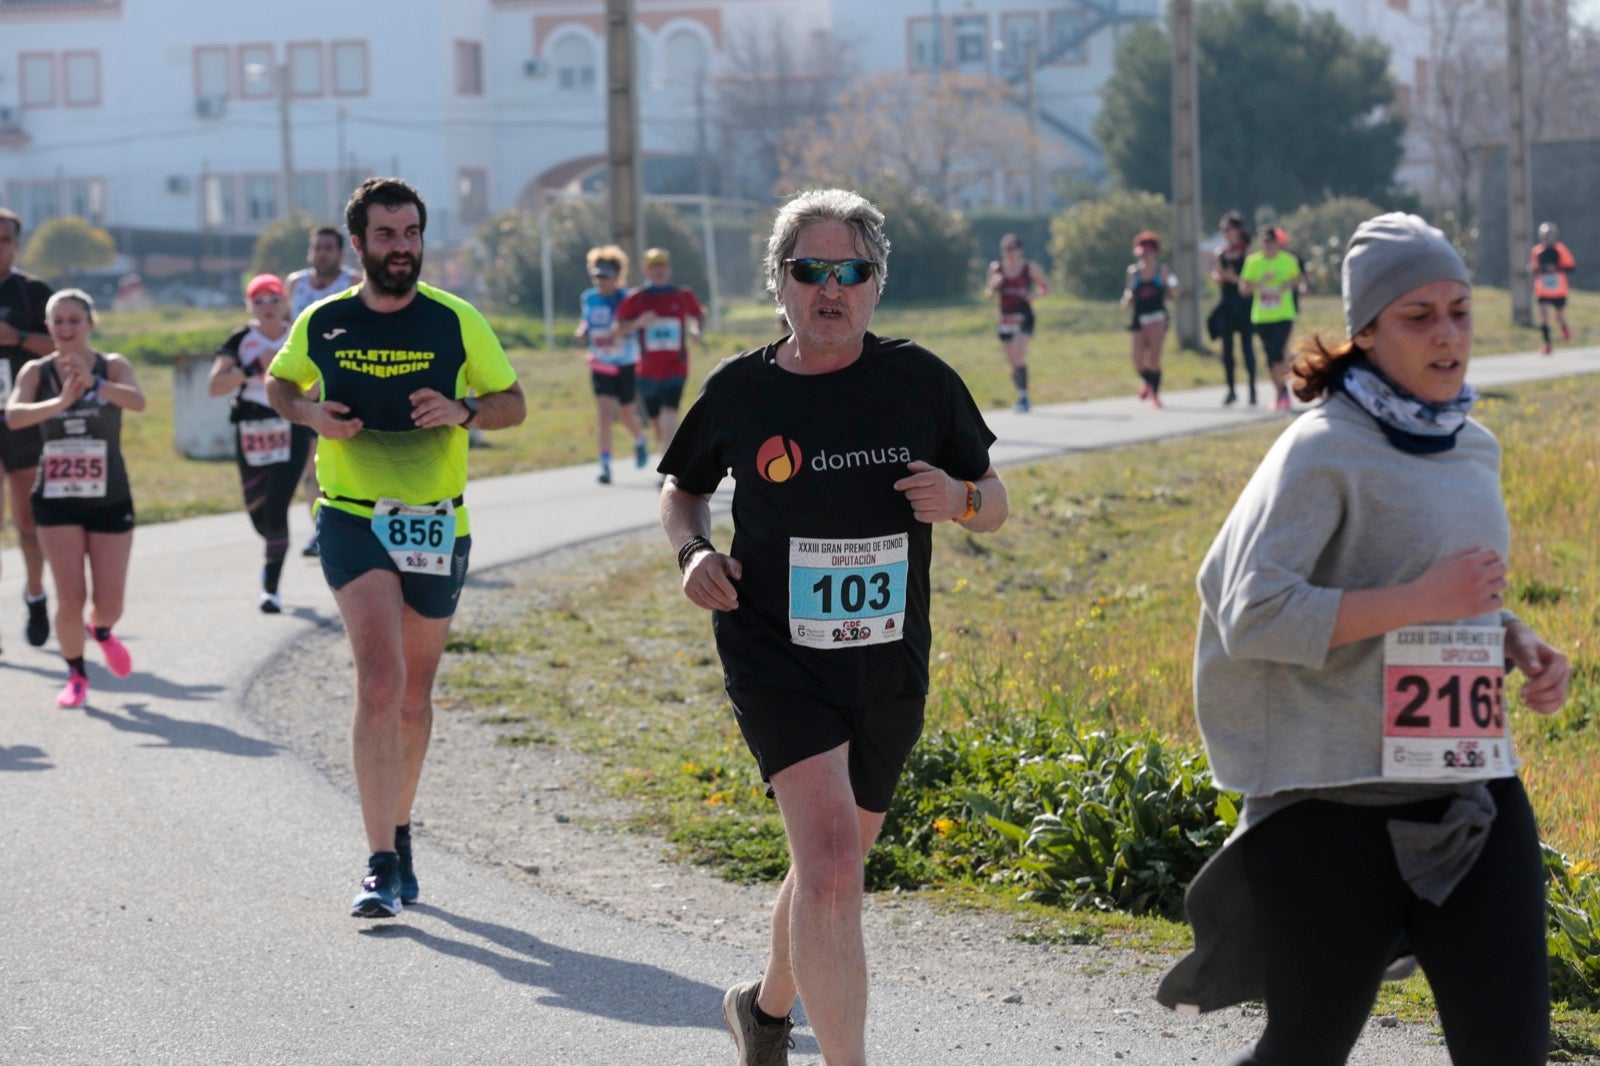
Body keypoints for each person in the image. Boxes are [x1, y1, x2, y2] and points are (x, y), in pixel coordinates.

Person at [1157, 213, 1570, 1065]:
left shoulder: (1472, 446)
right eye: (1418, 316)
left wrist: (1514, 640)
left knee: (1512, 1051)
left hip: (1470, 789)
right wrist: (1425, 597)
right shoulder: (1319, 450)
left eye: (1459, 309)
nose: (1448, 334)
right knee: (1306, 1047)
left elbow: (1451, 600)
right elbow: (1255, 613)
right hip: (1332, 812)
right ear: (1367, 333)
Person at [659, 188, 1008, 1066]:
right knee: (831, 868)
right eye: (809, 269)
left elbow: (995, 499)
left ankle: (764, 1008)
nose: (829, 288)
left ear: (876, 285)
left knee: (833, 866)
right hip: (773, 648)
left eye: (850, 271)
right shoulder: (741, 389)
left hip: (887, 657)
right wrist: (692, 552)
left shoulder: (920, 380)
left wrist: (961, 499)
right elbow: (681, 486)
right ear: (778, 281)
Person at [265, 178, 526, 918]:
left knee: (414, 694)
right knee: (379, 680)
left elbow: (515, 403)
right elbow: (280, 385)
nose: (402, 247)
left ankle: (401, 830)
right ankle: (379, 861)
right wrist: (313, 412)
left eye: (411, 233)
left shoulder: (455, 320)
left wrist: (464, 408)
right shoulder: (324, 321)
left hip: (436, 523)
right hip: (351, 515)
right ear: (359, 243)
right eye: (387, 235)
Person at [5, 289, 146, 708]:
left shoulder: (113, 365)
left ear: (90, 324)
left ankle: (101, 631)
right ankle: (77, 675)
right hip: (56, 499)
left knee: (109, 603)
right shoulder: (36, 371)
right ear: (48, 327)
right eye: (58, 321)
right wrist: (61, 401)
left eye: (74, 321)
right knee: (70, 598)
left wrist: (97, 384)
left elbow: (138, 401)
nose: (66, 329)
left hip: (110, 498)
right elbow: (13, 416)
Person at [207, 274, 316, 613]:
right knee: (257, 510)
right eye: (258, 300)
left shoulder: (298, 334)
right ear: (249, 305)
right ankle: (274, 544)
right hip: (251, 426)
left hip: (290, 424)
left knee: (278, 504)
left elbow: (316, 383)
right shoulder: (242, 338)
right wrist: (252, 367)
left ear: (285, 302)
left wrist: (289, 384)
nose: (267, 307)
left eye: (273, 299)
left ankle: (271, 588)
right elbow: (215, 385)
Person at [285, 225, 360, 558]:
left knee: (349, 459)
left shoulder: (353, 283)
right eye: (317, 247)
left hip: (342, 382)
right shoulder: (295, 284)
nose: (321, 254)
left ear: (340, 252)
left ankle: (357, 525)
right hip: (303, 385)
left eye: (328, 248)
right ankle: (319, 530)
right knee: (310, 465)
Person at [0, 207, 56, 654]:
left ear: (16, 244)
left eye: (4, 239)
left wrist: (16, 337)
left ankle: (35, 593)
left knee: (27, 519)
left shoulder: (32, 291)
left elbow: (60, 345)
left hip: (21, 418)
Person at [615, 247, 704, 454]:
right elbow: (618, 331)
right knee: (657, 421)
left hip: (676, 365)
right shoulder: (636, 298)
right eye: (654, 267)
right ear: (646, 271)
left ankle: (667, 466)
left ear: (669, 269)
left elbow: (698, 315)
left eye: (662, 266)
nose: (659, 271)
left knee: (669, 412)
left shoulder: (683, 295)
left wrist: (695, 329)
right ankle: (669, 453)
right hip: (647, 371)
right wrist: (638, 323)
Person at [577, 245, 648, 484]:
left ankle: (639, 440)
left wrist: (623, 331)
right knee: (605, 414)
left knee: (627, 414)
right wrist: (581, 331)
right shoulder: (588, 297)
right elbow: (586, 322)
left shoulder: (627, 299)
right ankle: (605, 465)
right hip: (599, 362)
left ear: (616, 277)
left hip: (625, 362)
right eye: (596, 276)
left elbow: (637, 324)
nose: (601, 281)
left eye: (605, 276)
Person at [984, 233, 1050, 412]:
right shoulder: (996, 269)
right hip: (1005, 318)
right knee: (1012, 361)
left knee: (1018, 356)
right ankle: (1021, 394)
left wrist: (1035, 295)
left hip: (1024, 317)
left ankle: (1024, 396)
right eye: (1005, 249)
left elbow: (1046, 286)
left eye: (1012, 248)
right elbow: (989, 295)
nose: (1009, 252)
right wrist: (993, 286)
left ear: (1020, 250)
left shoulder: (1029, 268)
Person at [1238, 226, 1302, 411]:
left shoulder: (1288, 260)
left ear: (1277, 243)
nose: (1268, 246)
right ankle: (1281, 392)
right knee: (1270, 357)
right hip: (1262, 316)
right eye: (1265, 242)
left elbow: (1298, 279)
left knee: (1278, 351)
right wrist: (1261, 282)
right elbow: (1244, 290)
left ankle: (1283, 392)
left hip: (1283, 314)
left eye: (1271, 242)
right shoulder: (1253, 262)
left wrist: (1285, 285)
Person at [1120, 231, 1179, 408]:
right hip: (1139, 318)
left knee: (1154, 359)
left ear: (1155, 251)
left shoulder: (1162, 271)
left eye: (1148, 251)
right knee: (1137, 359)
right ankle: (1148, 382)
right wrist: (1126, 299)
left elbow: (1173, 291)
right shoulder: (1133, 272)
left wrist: (1172, 287)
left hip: (1157, 319)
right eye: (1141, 252)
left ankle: (1155, 394)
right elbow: (1129, 292)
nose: (1145, 255)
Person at [1210, 213, 1256, 406]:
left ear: (1238, 230)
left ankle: (1252, 389)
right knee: (1227, 349)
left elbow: (1252, 281)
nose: (1226, 233)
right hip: (1227, 304)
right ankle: (1231, 389)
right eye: (1223, 230)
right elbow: (1219, 273)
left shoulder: (1249, 252)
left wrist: (1233, 279)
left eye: (1229, 229)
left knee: (1247, 348)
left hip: (1244, 304)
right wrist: (1219, 277)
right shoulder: (1221, 253)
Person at [1530, 221, 1576, 355]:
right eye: (1545, 236)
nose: (1548, 239)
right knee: (1543, 315)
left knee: (1559, 316)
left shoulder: (1560, 250)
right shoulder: (1537, 251)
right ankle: (1547, 345)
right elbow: (1534, 268)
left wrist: (1556, 268)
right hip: (1543, 289)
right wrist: (1541, 269)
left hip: (1558, 289)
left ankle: (1564, 329)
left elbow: (1571, 267)